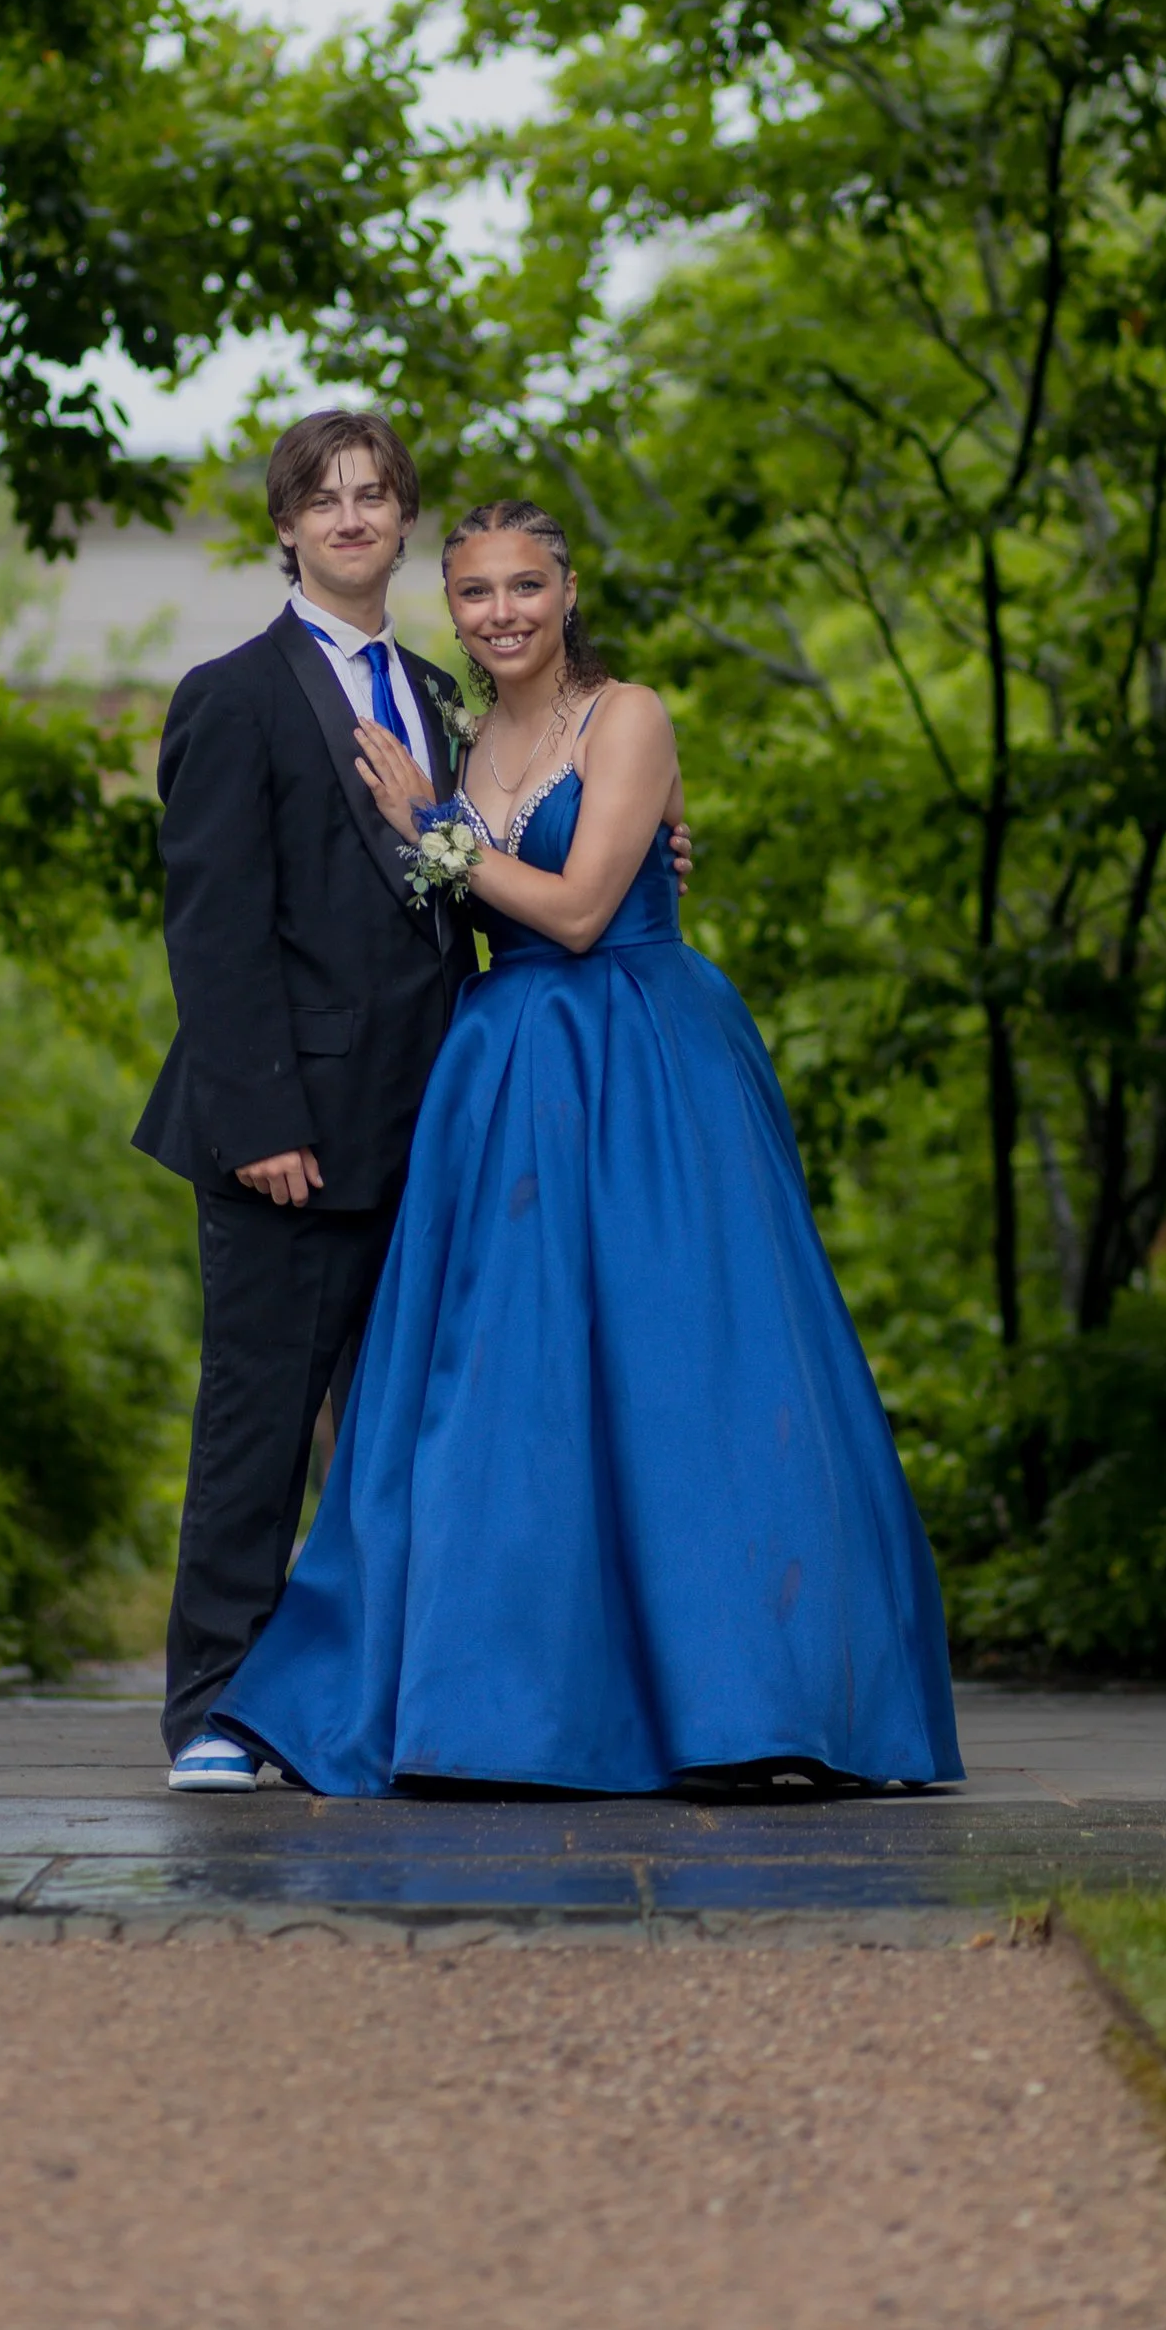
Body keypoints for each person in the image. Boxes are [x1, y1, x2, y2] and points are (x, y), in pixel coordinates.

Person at [214, 497, 963, 1798]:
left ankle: (753, 1704)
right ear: (449, 606)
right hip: (504, 1074)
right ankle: (498, 1710)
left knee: (688, 1373)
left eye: (525, 587)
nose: (501, 612)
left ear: (567, 594)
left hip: (645, 1064)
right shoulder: (452, 725)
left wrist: (434, 829)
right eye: (475, 592)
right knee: (509, 1393)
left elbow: (572, 909)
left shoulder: (631, 714)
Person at [133, 412, 481, 1789]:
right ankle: (213, 1707)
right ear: (286, 526)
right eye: (322, 498)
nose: (350, 516)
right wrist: (260, 1114)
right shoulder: (233, 694)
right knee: (259, 1426)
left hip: (432, 1123)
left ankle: (357, 1700)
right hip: (286, 1130)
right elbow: (213, 929)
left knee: (401, 1432)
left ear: (404, 521)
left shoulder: (442, 697)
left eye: (375, 494)